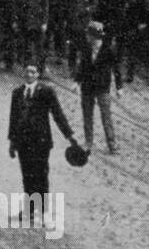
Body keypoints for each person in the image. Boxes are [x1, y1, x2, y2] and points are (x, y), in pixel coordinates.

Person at [7, 63, 79, 225]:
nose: (29, 75)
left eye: (33, 72)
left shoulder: (47, 92)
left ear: (38, 74)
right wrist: (12, 142)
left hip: (41, 142)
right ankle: (29, 209)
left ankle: (43, 211)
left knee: (41, 175)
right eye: (27, 72)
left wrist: (69, 136)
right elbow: (13, 119)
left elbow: (57, 114)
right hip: (23, 142)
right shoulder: (17, 93)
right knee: (27, 175)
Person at [72, 21, 121, 154]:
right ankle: (89, 142)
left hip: (102, 87)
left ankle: (112, 144)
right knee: (87, 115)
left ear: (94, 36)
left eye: (89, 34)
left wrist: (119, 87)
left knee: (106, 116)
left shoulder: (108, 49)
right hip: (87, 86)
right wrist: (77, 82)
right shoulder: (86, 48)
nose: (87, 36)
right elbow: (81, 66)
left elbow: (116, 68)